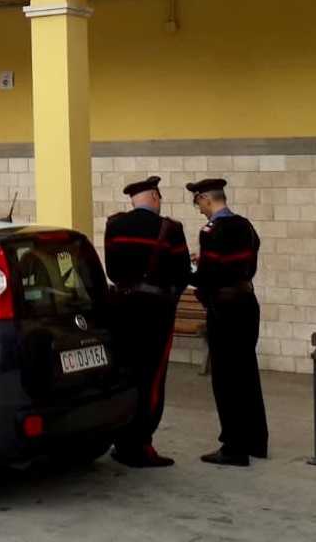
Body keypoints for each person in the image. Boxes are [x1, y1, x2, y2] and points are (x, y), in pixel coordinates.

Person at [103, 176, 191, 468]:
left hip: (121, 310)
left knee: (124, 373)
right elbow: (181, 276)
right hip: (156, 312)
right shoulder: (171, 229)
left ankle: (121, 438)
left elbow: (112, 271)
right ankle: (140, 445)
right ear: (154, 196)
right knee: (151, 378)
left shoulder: (114, 225)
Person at [186, 178, 268, 467]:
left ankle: (233, 447)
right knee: (246, 372)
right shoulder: (245, 225)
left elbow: (210, 275)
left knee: (226, 378)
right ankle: (256, 440)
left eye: (198, 203)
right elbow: (241, 263)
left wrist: (190, 272)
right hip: (247, 303)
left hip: (224, 308)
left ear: (207, 199)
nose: (199, 210)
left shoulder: (211, 231)